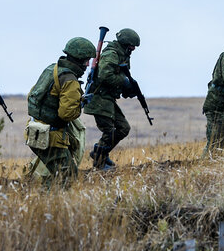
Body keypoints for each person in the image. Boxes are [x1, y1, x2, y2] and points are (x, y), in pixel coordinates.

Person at [26, 37, 96, 186]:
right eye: (86, 60)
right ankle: (49, 207)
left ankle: (44, 201)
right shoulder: (70, 79)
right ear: (79, 59)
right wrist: (80, 103)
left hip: (35, 130)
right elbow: (67, 114)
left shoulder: (52, 69)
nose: (87, 65)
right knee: (67, 178)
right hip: (51, 137)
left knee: (54, 176)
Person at [82, 28, 141, 169]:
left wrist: (128, 89)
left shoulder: (123, 54)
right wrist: (124, 82)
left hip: (108, 99)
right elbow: (105, 76)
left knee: (123, 128)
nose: (133, 48)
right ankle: (99, 162)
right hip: (99, 98)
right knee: (108, 131)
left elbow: (120, 76)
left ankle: (101, 152)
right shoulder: (111, 54)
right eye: (132, 45)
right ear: (125, 43)